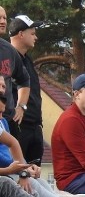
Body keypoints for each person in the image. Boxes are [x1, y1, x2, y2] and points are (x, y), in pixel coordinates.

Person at [0, 81, 83, 197]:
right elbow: (12, 147)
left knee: (39, 181)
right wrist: (19, 172)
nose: (2, 91)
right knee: (26, 183)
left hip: (10, 170)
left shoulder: (3, 122)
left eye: (4, 87)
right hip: (6, 175)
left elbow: (13, 145)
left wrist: (25, 168)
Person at [6, 15, 41, 160]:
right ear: (21, 34)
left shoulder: (27, 60)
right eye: (32, 33)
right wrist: (20, 107)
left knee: (35, 176)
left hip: (35, 127)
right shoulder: (7, 58)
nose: (36, 37)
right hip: (17, 127)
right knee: (19, 176)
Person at [0, 13, 31, 142]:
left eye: (5, 18)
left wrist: (21, 106)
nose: (3, 21)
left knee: (14, 161)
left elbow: (24, 79)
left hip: (7, 121)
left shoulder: (9, 50)